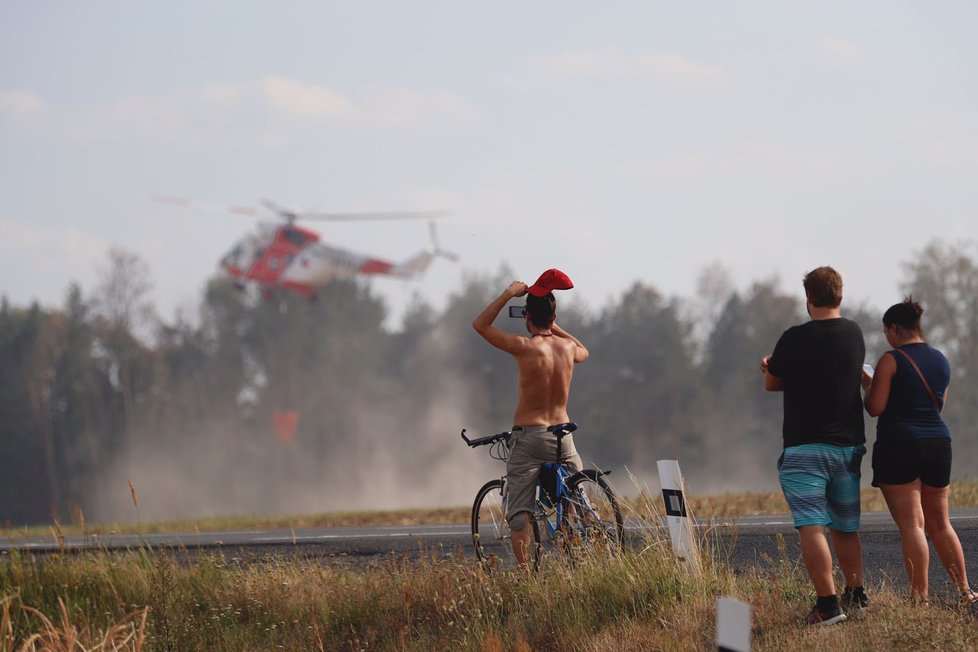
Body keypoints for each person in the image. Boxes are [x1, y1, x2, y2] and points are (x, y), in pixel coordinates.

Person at [760, 266, 869, 625]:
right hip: (848, 446)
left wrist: (770, 367)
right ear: (840, 295)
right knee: (845, 526)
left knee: (812, 525)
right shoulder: (855, 334)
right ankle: (857, 593)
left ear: (808, 299)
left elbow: (773, 384)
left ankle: (828, 604)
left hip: (806, 446)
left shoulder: (794, 338)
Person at [862, 297, 977, 607]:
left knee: (914, 525)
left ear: (895, 328)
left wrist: (867, 386)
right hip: (938, 443)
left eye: (887, 331)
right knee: (941, 523)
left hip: (900, 444)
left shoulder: (891, 360)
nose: (887, 337)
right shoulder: (941, 359)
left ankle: (920, 599)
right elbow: (938, 404)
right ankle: (965, 591)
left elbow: (875, 407)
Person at [472, 269, 589, 565]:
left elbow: (480, 324)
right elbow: (584, 350)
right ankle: (568, 533)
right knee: (575, 491)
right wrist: (554, 326)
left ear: (527, 318)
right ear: (553, 316)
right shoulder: (567, 349)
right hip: (564, 435)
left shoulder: (524, 348)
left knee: (519, 512)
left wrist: (509, 293)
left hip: (531, 437)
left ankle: (527, 579)